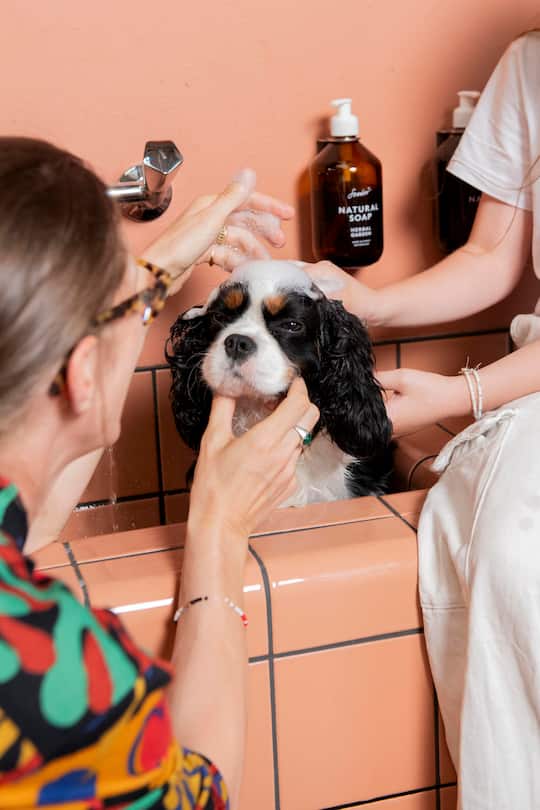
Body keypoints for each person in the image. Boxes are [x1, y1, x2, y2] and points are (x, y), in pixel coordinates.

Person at [0, 137, 319, 809]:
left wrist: (154, 271)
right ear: (81, 374)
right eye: (125, 314)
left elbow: (28, 518)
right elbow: (196, 794)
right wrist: (220, 528)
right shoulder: (41, 664)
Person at [306, 29, 540, 810]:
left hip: (509, 384)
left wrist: (463, 395)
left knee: (512, 545)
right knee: (498, 537)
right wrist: (371, 303)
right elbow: (491, 257)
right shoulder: (530, 64)